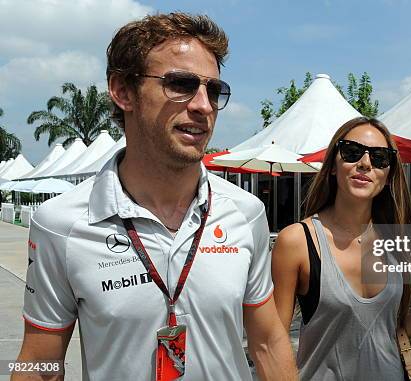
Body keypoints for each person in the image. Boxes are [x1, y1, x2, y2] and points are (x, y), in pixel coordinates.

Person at [14, 13, 297, 381]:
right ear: (122, 91)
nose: (204, 106)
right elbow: (39, 364)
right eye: (181, 84)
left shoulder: (246, 213)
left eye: (213, 90)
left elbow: (268, 342)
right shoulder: (60, 224)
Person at [271, 116, 411, 380]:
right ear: (333, 165)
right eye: (352, 152)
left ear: (389, 174)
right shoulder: (298, 241)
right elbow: (272, 343)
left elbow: (389, 328)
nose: (365, 164)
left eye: (380, 158)